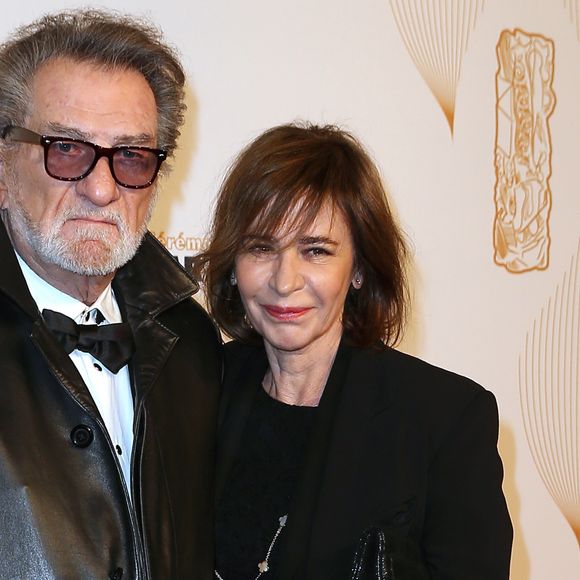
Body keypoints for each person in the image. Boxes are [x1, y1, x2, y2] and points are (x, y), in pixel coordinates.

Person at [195, 123, 512, 580]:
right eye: (261, 247)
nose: (284, 281)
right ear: (233, 265)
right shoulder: (198, 391)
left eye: (316, 251)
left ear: (359, 269)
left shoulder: (445, 420)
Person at [0, 10, 221, 580]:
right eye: (67, 149)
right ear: (3, 165)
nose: (101, 189)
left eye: (130, 157)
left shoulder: (193, 342)